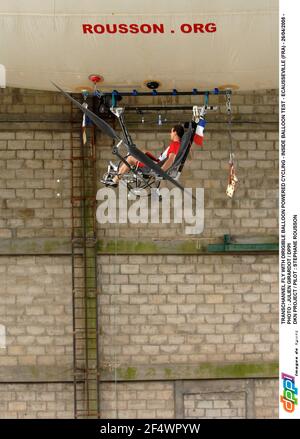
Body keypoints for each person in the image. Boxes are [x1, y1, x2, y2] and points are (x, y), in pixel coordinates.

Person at [102, 124, 184, 186]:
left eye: (171, 131)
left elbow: (171, 159)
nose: (170, 134)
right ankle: (119, 169)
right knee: (141, 151)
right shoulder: (177, 144)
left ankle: (115, 180)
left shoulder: (175, 144)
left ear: (175, 132)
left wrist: (160, 171)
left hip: (154, 167)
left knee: (130, 158)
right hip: (156, 163)